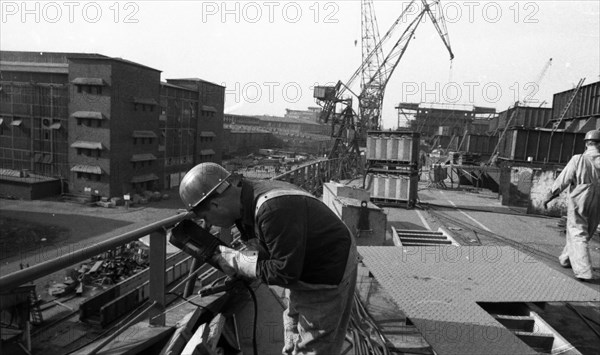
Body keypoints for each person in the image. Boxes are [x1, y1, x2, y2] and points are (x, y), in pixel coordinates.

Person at [179, 162, 358, 354]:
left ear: (216, 204)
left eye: (206, 217)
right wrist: (240, 268)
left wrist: (235, 261)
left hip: (327, 268)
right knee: (292, 325)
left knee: (316, 344)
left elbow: (284, 273)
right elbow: (269, 250)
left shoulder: (272, 209)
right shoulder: (243, 198)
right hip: (302, 261)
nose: (208, 224)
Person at [544, 129, 600, 281]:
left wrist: (549, 196)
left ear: (587, 144)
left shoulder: (578, 159)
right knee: (585, 231)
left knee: (577, 231)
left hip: (580, 197)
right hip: (598, 200)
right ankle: (566, 258)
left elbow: (563, 180)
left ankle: (583, 271)